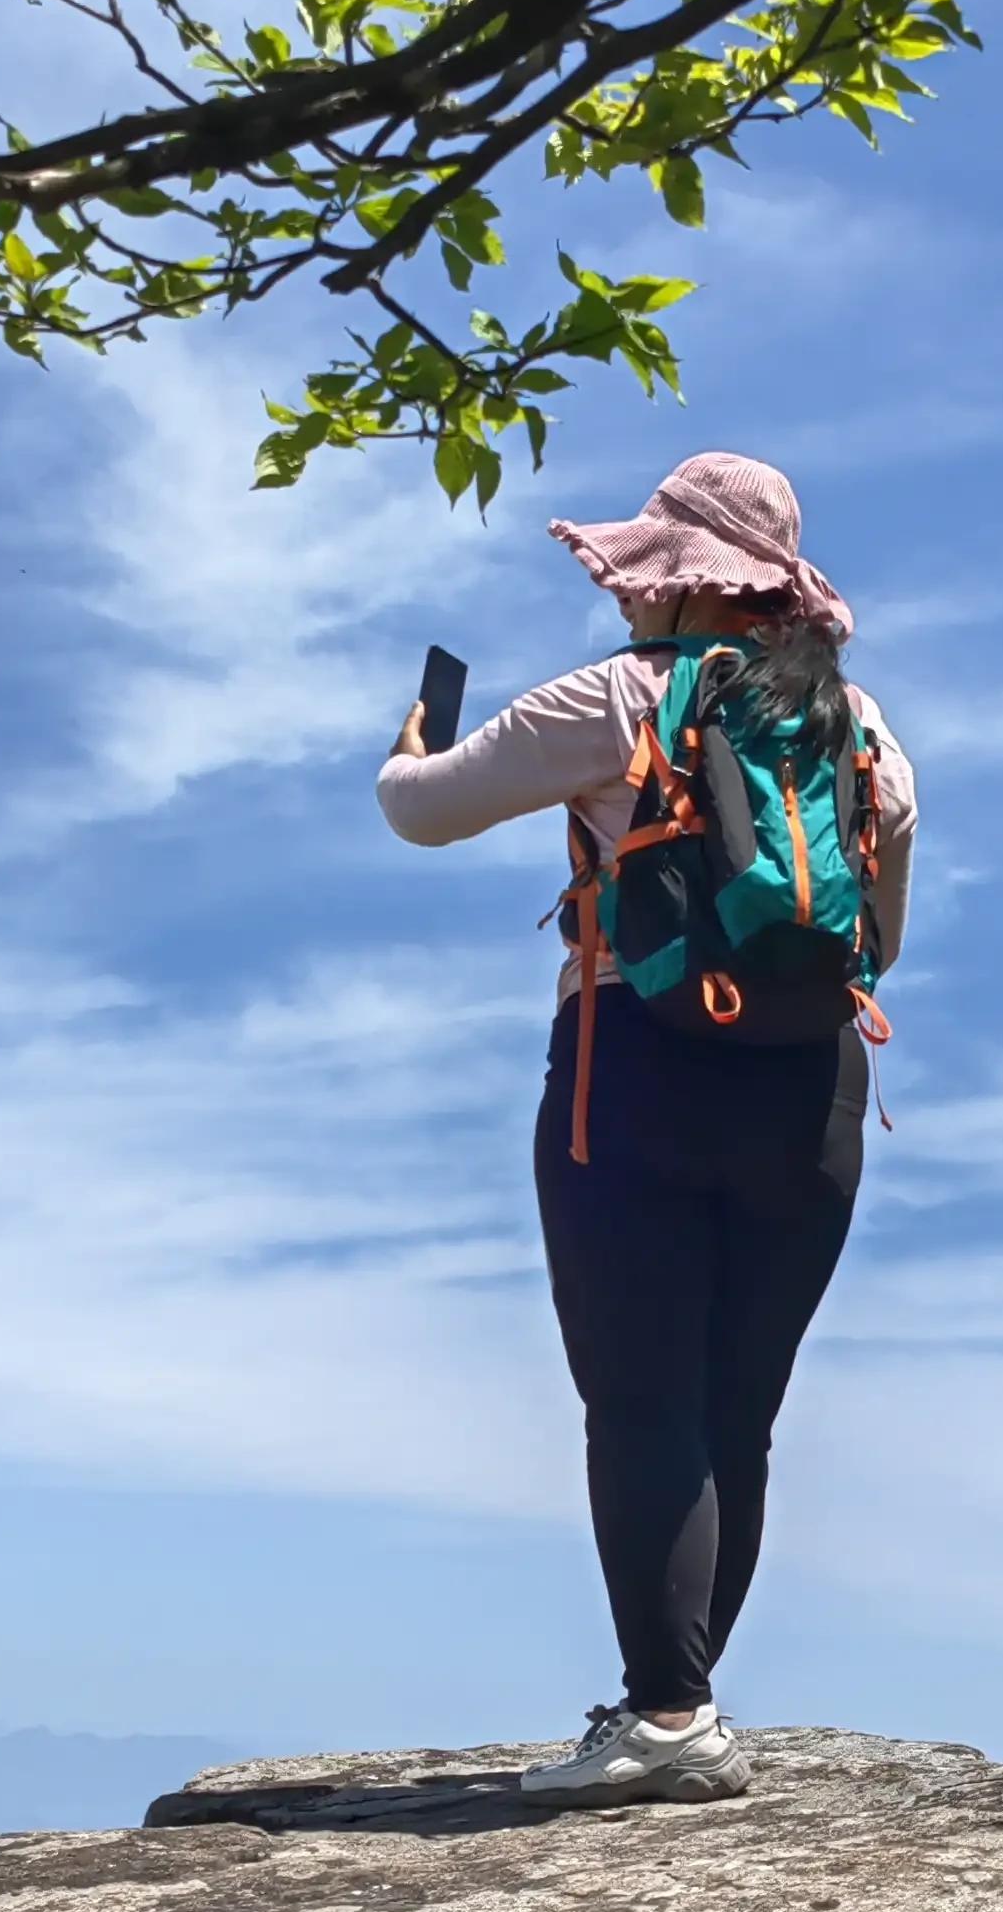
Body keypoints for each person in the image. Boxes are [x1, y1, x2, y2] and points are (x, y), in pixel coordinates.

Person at [377, 451, 917, 1807]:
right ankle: (678, 1704)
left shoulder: (618, 699)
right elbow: (882, 944)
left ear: (683, 589)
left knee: (642, 1400)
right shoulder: (865, 735)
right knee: (739, 1407)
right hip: (815, 1094)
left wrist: (409, 749)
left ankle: (669, 1717)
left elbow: (424, 817)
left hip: (638, 1070)